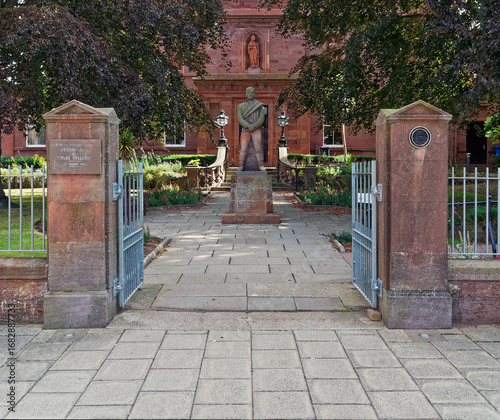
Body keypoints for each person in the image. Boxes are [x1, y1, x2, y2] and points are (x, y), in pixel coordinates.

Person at [237, 87, 266, 171]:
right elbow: (240, 118)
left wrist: (253, 126)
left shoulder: (260, 106)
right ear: (246, 93)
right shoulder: (240, 106)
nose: (250, 94)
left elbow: (261, 119)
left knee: (258, 148)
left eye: (252, 92)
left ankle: (261, 165)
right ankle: (241, 165)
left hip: (256, 129)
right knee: (243, 148)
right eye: (248, 92)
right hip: (245, 129)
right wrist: (247, 125)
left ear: (254, 94)